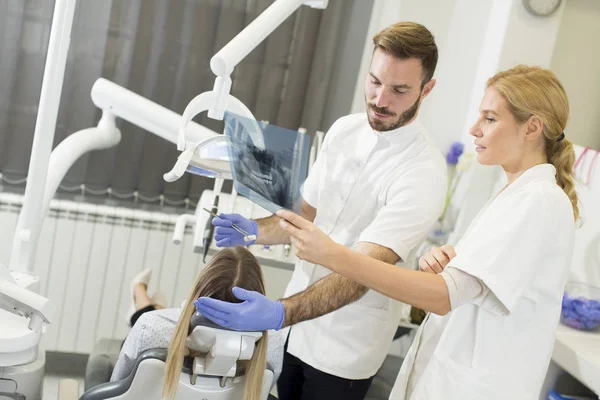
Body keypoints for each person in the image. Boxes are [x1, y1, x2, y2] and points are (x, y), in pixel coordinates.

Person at [272, 65, 578, 399]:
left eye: (489, 119)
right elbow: (472, 287)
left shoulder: (538, 201)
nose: (474, 129)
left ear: (532, 127)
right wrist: (449, 267)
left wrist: (333, 255)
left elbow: (444, 296)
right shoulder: (513, 195)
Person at [196, 22, 448, 400]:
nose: (380, 99)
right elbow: (305, 217)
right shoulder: (344, 131)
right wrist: (255, 230)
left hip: (345, 346)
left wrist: (280, 312)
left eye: (399, 90)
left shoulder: (423, 171)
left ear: (426, 89)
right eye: (375, 81)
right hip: (295, 332)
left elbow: (361, 273)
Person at [111, 247, 286, 400]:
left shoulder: (151, 326)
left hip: (158, 326)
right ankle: (143, 296)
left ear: (199, 288)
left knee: (150, 320)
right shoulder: (274, 342)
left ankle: (140, 293)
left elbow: (117, 389)